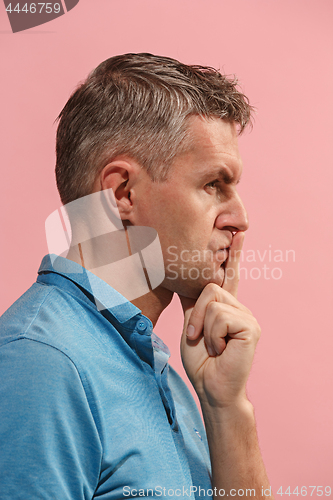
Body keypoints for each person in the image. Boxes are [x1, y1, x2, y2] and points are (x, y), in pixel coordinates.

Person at [0, 53, 273, 499]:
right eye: (213, 185)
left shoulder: (160, 370)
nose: (240, 218)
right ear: (121, 193)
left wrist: (227, 408)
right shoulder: (40, 365)